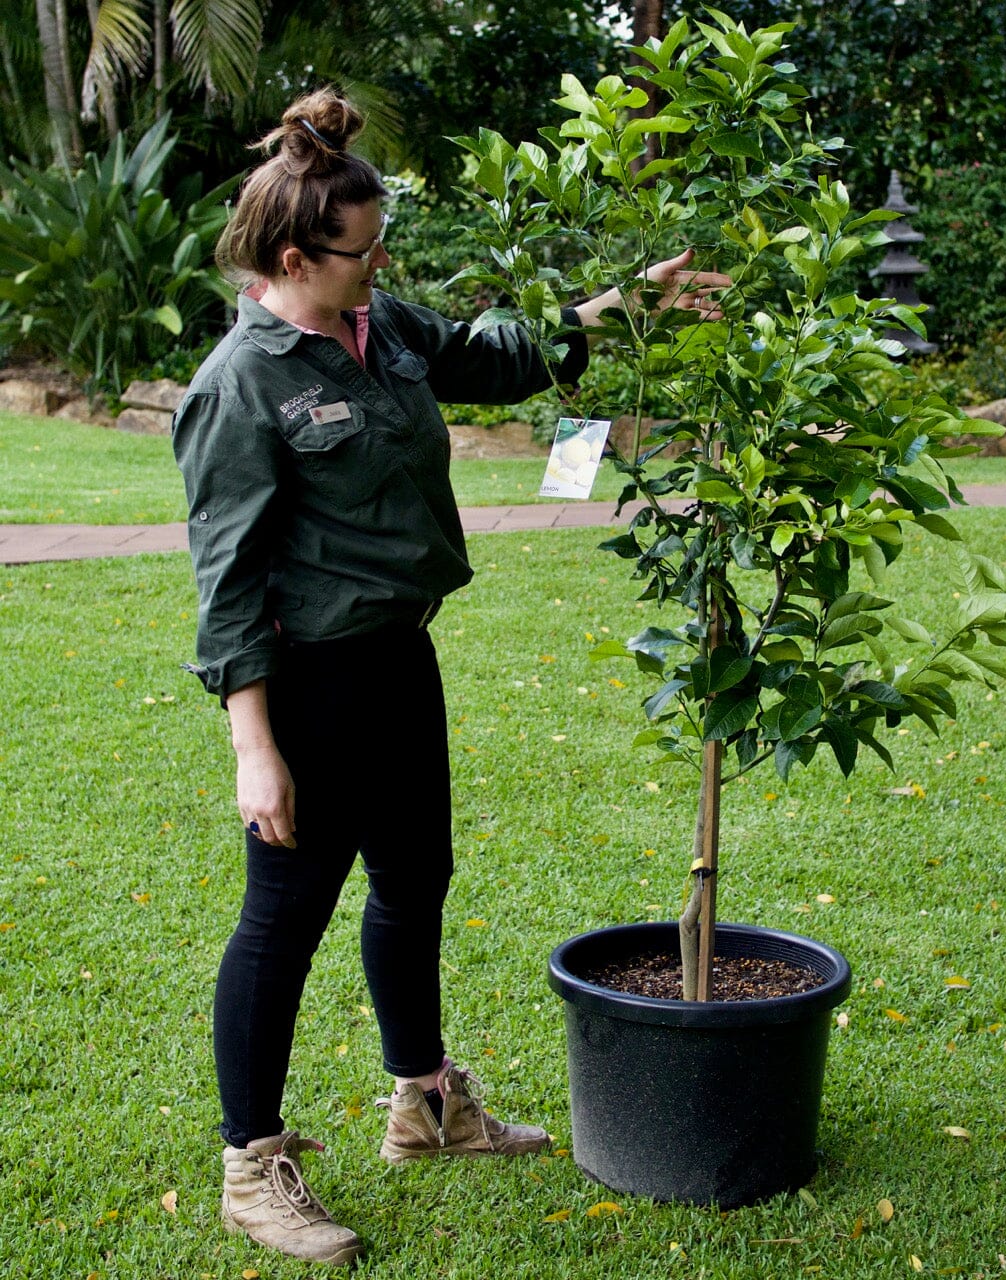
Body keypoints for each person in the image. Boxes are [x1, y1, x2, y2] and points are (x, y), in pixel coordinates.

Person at [171, 88, 729, 1266]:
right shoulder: (241, 382)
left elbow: (492, 361)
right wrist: (253, 746)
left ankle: (424, 1103)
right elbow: (226, 580)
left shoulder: (379, 325)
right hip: (309, 681)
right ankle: (250, 1163)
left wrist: (613, 303)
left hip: (396, 656)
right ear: (291, 256)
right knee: (282, 919)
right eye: (359, 251)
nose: (379, 265)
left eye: (381, 247)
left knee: (415, 875)